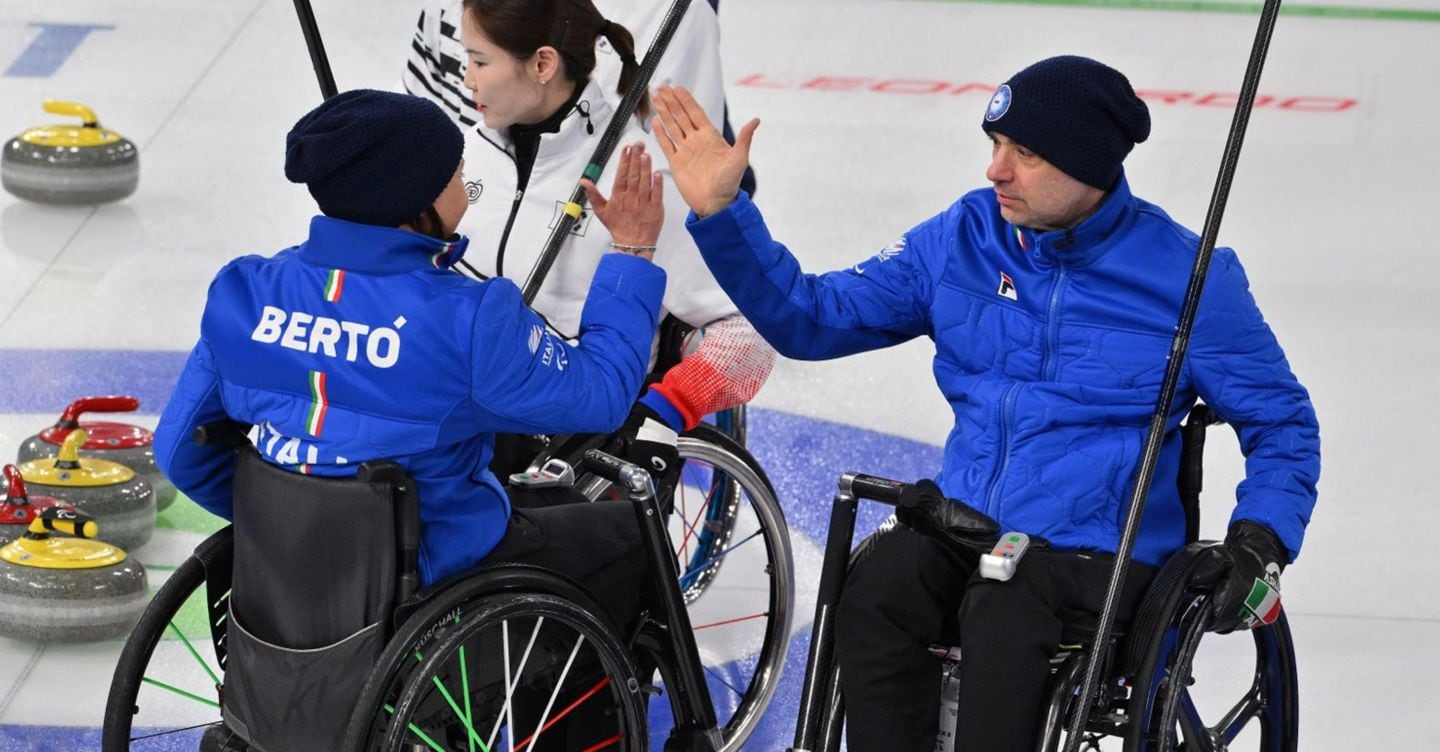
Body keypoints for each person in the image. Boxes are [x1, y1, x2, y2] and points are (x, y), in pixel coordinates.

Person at [650, 55, 1320, 751]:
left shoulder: (1191, 279)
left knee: (1006, 603)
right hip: (973, 531)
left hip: (1100, 556)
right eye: (996, 144)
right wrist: (723, 214)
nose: (996, 169)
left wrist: (1260, 540)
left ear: (1088, 165)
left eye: (1024, 154)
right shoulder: (965, 237)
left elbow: (1282, 424)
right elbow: (811, 319)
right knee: (881, 583)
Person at [152, 89, 669, 749]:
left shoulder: (244, 292)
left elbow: (181, 451)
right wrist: (631, 253)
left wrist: (303, 529)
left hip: (288, 579)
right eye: (456, 172)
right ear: (415, 201)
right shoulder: (466, 317)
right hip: (432, 572)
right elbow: (603, 393)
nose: (467, 182)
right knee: (629, 533)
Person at [429, 0, 775, 495]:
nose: (466, 80)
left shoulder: (639, 177)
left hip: (568, 442)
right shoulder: (464, 156)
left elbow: (751, 329)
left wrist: (667, 408)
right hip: (460, 422)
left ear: (543, 64)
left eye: (480, 62)